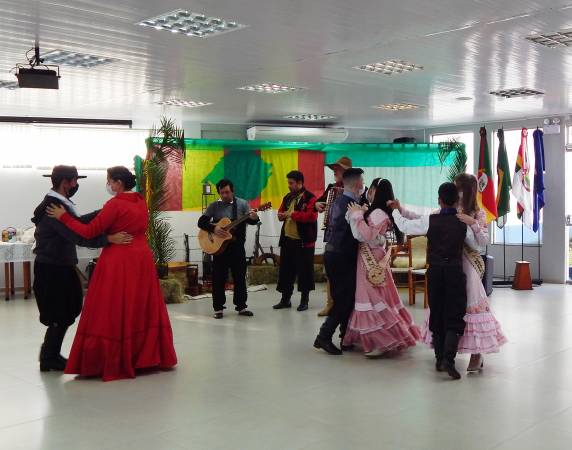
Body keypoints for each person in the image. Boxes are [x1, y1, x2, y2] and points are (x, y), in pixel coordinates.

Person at [46, 166, 177, 381]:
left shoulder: (115, 204)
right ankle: (144, 356)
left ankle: (115, 358)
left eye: (109, 181)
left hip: (119, 261)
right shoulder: (140, 201)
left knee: (113, 307)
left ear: (117, 182)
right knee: (138, 305)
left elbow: (88, 232)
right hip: (142, 258)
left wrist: (63, 217)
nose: (108, 185)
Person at [31, 165, 132, 372]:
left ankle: (49, 354)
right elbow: (77, 235)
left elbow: (76, 223)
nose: (76, 185)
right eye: (75, 181)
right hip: (52, 268)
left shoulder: (61, 204)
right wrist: (108, 239)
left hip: (61, 265)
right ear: (65, 182)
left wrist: (105, 211)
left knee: (70, 307)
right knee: (61, 311)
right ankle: (49, 356)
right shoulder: (53, 206)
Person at [389, 182, 480, 380]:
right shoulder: (463, 222)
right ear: (457, 201)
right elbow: (476, 246)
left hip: (435, 271)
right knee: (454, 316)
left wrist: (396, 211)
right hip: (455, 272)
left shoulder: (430, 220)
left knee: (437, 314)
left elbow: (404, 225)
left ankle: (440, 359)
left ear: (439, 200)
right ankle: (449, 359)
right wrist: (473, 223)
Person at [343, 179, 421, 357]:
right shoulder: (378, 211)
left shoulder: (378, 212)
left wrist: (356, 216)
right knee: (377, 294)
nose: (367, 192)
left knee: (371, 295)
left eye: (370, 189)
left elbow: (368, 235)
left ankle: (382, 340)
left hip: (371, 257)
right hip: (370, 255)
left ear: (376, 190)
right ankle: (379, 337)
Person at [449, 174, 507, 371]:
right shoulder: (451, 208)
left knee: (472, 307)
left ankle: (477, 354)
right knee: (451, 306)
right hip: (451, 263)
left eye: (459, 187)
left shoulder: (478, 213)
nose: (457, 191)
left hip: (469, 263)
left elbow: (482, 244)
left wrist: (470, 223)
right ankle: (448, 349)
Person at [313, 168, 363, 355]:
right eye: (361, 180)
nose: (363, 183)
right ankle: (324, 336)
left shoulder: (341, 200)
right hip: (341, 255)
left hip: (336, 254)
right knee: (343, 299)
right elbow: (357, 232)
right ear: (357, 183)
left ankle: (345, 336)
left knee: (347, 298)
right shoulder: (349, 204)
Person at [197, 179, 258, 319]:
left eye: (227, 192)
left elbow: (251, 221)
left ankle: (241, 306)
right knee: (218, 279)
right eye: (222, 192)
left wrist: (254, 217)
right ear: (219, 192)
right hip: (219, 250)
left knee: (239, 278)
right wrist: (214, 228)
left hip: (237, 248)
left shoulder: (242, 204)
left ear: (233, 191)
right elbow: (201, 222)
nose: (225, 195)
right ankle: (218, 309)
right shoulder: (214, 206)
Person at [274, 170, 318, 311]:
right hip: (288, 240)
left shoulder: (311, 198)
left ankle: (304, 301)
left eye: (291, 183)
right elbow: (281, 212)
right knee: (286, 270)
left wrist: (292, 214)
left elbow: (311, 216)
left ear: (300, 183)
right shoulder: (287, 197)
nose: (289, 185)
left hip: (304, 241)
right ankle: (285, 299)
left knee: (305, 272)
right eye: (288, 182)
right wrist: (280, 216)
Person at [314, 156, 352, 317]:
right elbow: (318, 203)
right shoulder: (331, 188)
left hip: (348, 237)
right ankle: (330, 304)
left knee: (346, 272)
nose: (335, 172)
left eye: (338, 169)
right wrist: (318, 204)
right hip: (331, 234)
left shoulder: (355, 188)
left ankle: (345, 304)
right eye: (334, 169)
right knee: (330, 270)